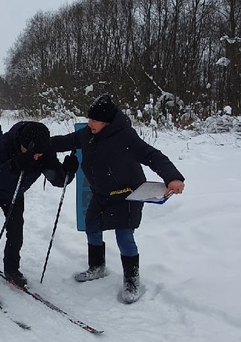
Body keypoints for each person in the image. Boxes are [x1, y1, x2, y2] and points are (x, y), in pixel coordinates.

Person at [51, 94, 185, 303]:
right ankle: (97, 267)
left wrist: (173, 177)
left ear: (107, 122)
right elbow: (62, 142)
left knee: (124, 236)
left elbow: (152, 155)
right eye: (89, 118)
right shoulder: (87, 134)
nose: (90, 123)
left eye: (95, 120)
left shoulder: (125, 136)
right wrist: (37, 144)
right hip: (101, 194)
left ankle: (132, 281)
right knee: (92, 227)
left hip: (127, 195)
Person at [0, 121, 78, 285]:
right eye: (33, 153)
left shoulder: (43, 149)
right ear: (22, 143)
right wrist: (15, 164)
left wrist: (68, 172)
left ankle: (12, 269)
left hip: (15, 193)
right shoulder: (4, 145)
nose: (36, 157)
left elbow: (57, 178)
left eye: (40, 154)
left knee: (15, 231)